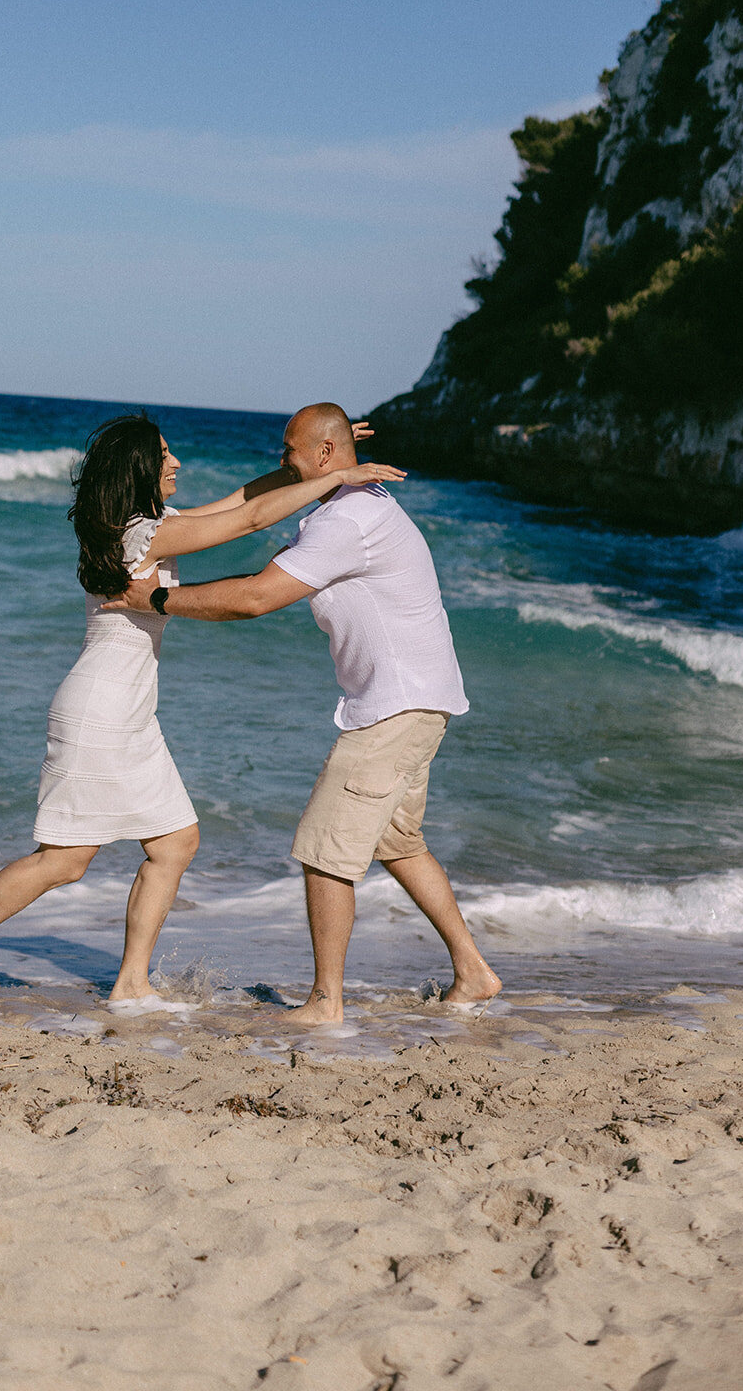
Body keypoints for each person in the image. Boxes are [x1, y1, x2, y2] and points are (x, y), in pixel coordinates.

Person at [0, 412, 405, 1005]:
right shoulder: (138, 535)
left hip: (130, 710)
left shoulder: (155, 525)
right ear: (139, 469)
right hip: (99, 707)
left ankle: (130, 983)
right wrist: (335, 479)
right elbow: (249, 520)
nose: (176, 464)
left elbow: (242, 499)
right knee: (65, 861)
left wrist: (311, 458)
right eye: (165, 455)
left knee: (175, 843)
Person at [109, 402, 502, 1022]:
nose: (282, 461)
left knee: (324, 850)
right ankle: (474, 972)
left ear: (324, 454)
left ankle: (326, 1001)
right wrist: (320, 462)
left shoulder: (348, 520)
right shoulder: (348, 510)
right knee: (398, 842)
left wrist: (158, 599)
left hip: (393, 708)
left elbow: (258, 597)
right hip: (417, 699)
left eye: (291, 450)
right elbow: (250, 523)